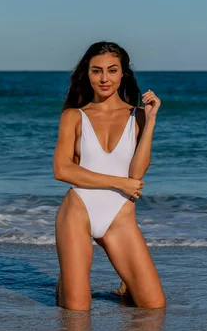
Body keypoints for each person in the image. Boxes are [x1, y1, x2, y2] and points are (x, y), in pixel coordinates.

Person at [53, 41, 166, 311]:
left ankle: (74, 277)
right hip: (78, 212)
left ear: (122, 74)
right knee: (77, 313)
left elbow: (136, 174)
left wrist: (150, 122)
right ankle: (68, 278)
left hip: (120, 218)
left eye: (112, 70)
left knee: (154, 308)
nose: (104, 78)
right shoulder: (74, 116)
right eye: (96, 71)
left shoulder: (138, 116)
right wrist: (118, 182)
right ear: (87, 74)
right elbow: (62, 170)